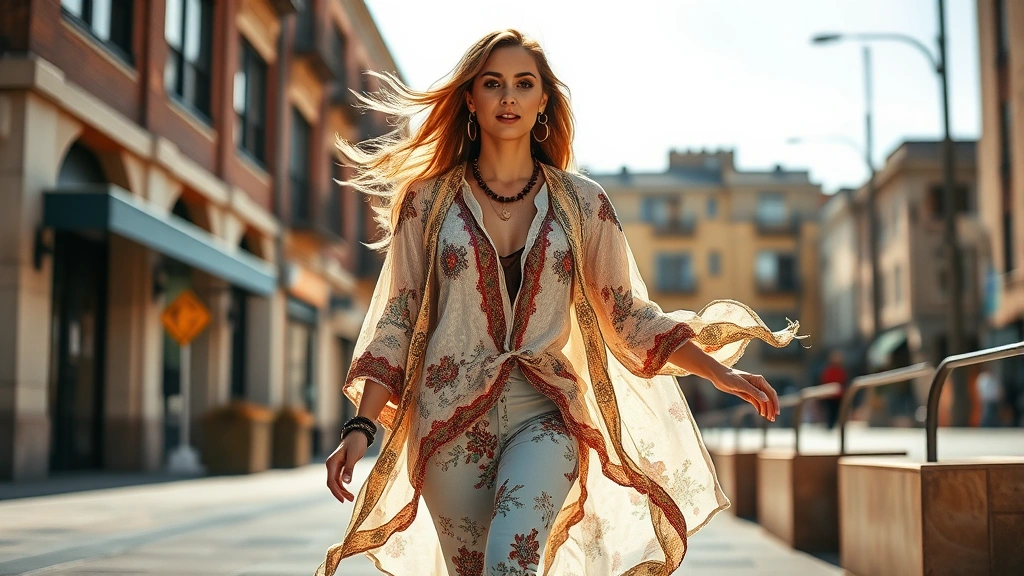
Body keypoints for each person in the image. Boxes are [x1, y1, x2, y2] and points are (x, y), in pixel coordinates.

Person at [318, 30, 802, 576]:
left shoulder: (583, 202)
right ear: (470, 99)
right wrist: (359, 429)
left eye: (524, 84)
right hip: (446, 422)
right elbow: (398, 321)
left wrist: (720, 373)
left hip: (546, 413)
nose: (508, 97)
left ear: (543, 100)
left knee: (511, 565)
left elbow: (628, 315)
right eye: (493, 83)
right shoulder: (426, 203)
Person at [819, 350, 848, 429]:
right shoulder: (828, 370)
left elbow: (843, 381)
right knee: (830, 411)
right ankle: (830, 425)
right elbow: (824, 380)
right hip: (829, 395)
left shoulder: (841, 370)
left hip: (838, 395)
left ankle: (836, 425)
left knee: (837, 411)